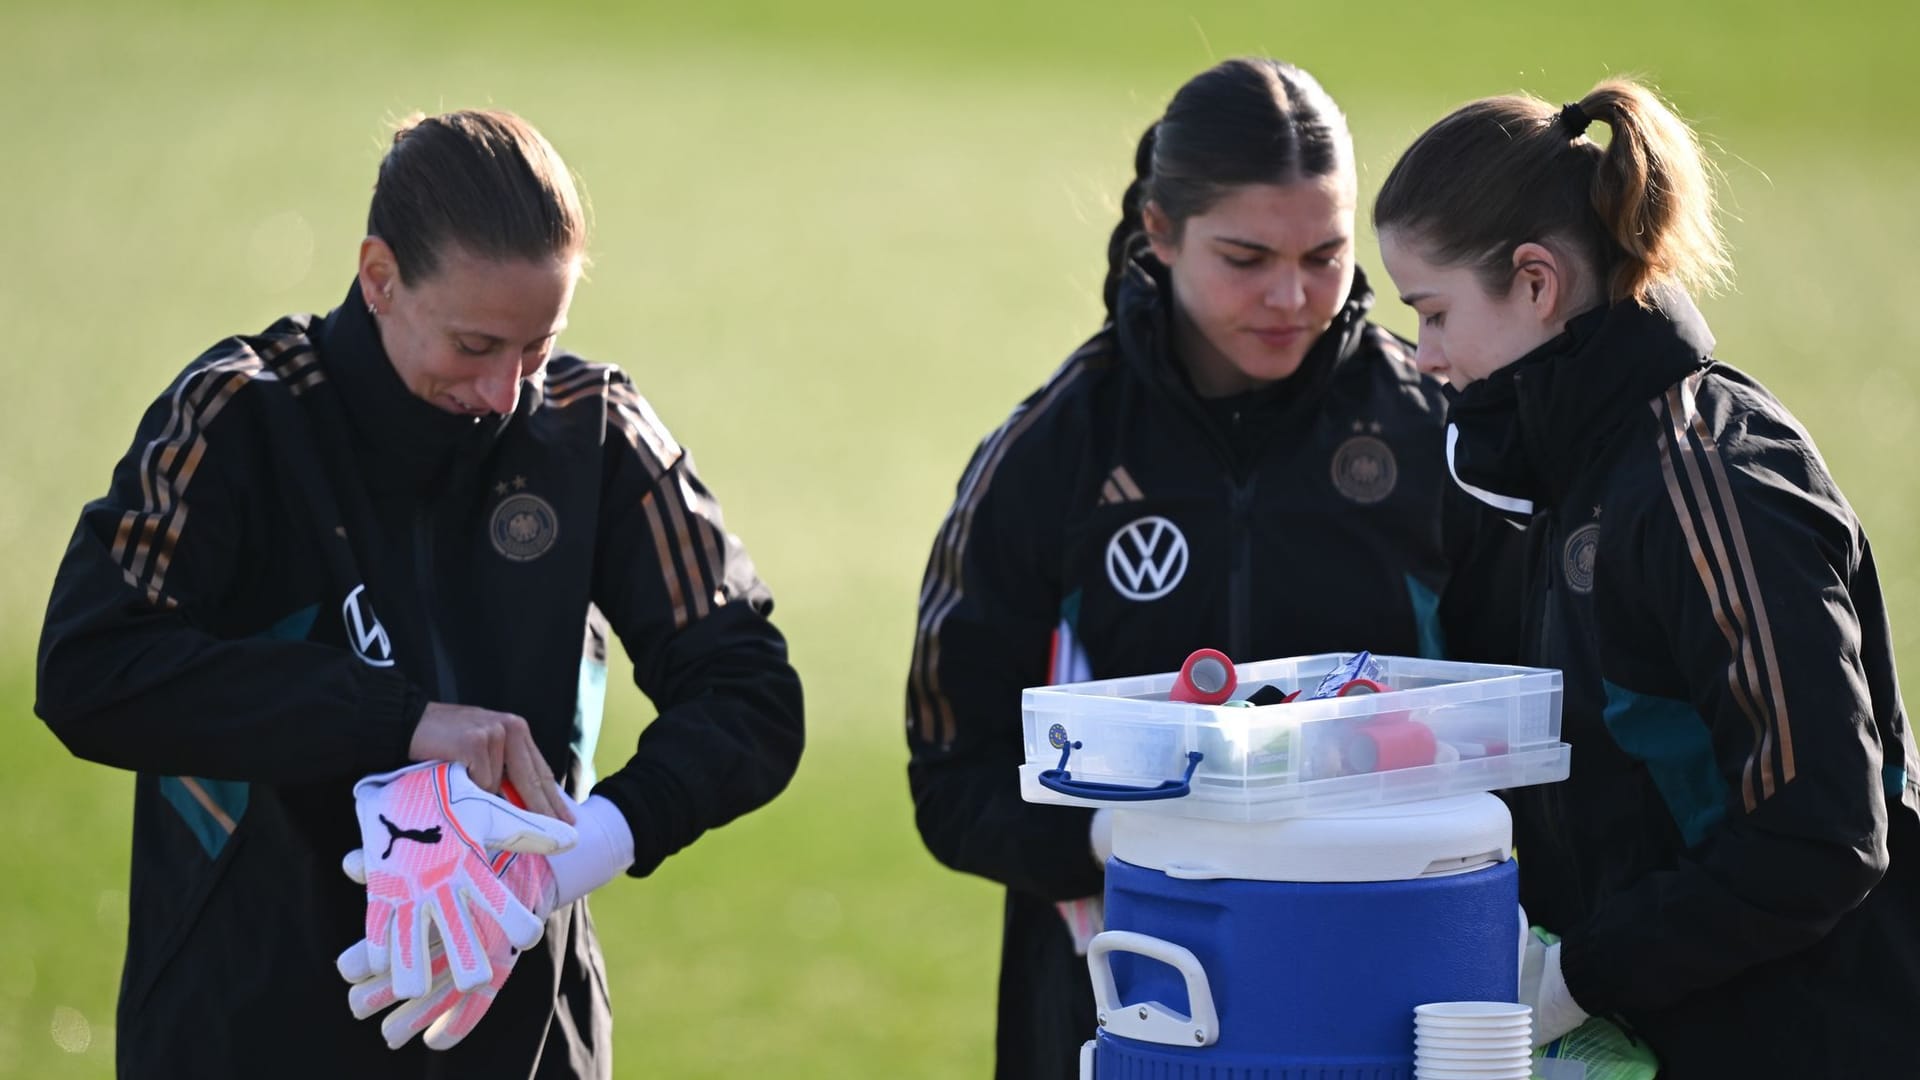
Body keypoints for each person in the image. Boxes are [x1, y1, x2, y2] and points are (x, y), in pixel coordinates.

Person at [35, 109, 805, 1078]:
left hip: (528, 1041)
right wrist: (402, 722)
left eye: (537, 344)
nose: (504, 391)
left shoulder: (592, 430)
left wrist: (562, 863)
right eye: (475, 344)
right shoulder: (245, 416)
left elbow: (751, 694)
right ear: (379, 277)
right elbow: (89, 670)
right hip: (248, 1029)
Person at [903, 57, 1520, 1078]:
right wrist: (1121, 835)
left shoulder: (1439, 433)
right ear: (1158, 229)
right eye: (1246, 257)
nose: (1292, 297)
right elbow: (953, 779)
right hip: (1132, 990)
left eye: (1325, 255)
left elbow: (1532, 724)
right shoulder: (1054, 454)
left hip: (1391, 986)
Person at [1373, 79, 1920, 1076]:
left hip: (1810, 1036)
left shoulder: (1711, 479)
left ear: (1536, 283)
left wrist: (1581, 974)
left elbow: (1821, 837)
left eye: (1435, 313)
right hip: (1664, 1030)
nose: (1428, 358)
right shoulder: (1561, 463)